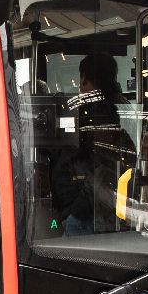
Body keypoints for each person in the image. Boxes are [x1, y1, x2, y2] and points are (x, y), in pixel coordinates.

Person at [53, 53, 135, 235]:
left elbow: (95, 165)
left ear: (84, 78)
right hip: (105, 208)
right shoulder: (122, 106)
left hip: (88, 212)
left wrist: (74, 209)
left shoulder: (94, 111)